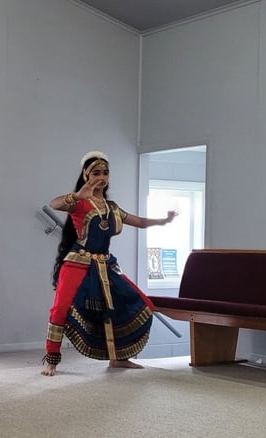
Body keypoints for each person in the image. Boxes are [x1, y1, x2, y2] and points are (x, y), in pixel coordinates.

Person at [41, 151, 177, 377]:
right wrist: (77, 195)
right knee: (60, 308)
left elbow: (140, 221)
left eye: (105, 173)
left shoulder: (111, 207)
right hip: (78, 263)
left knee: (138, 303)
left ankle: (118, 358)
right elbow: (54, 204)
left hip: (105, 265)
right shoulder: (80, 202)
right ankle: (52, 360)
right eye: (96, 172)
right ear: (86, 174)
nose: (101, 177)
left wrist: (164, 220)